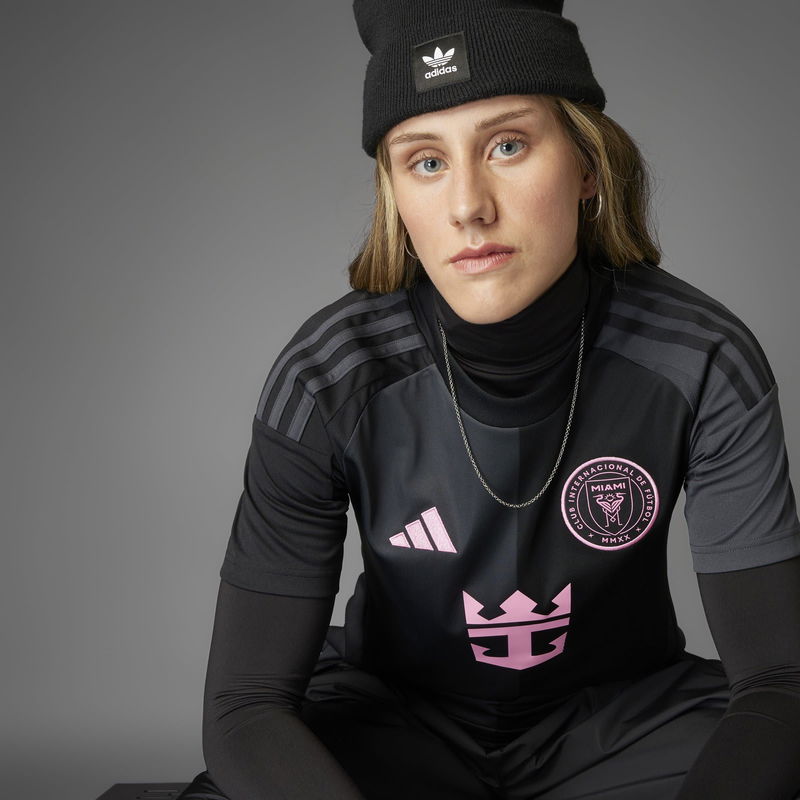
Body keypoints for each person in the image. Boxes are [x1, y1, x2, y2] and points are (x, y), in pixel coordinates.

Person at [177, 2, 800, 798]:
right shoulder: (327, 376)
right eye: (426, 161)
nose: (468, 205)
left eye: (507, 145)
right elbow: (246, 706)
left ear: (587, 166)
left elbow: (780, 681)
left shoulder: (701, 357)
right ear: (395, 192)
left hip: (628, 727)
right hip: (392, 724)